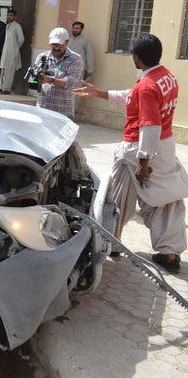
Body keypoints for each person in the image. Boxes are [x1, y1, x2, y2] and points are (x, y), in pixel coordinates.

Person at [73, 34, 187, 272]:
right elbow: (134, 96)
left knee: (119, 196)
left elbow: (149, 125)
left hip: (138, 147)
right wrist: (101, 93)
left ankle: (110, 242)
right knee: (167, 199)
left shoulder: (146, 86)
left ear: (137, 57)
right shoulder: (165, 77)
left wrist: (144, 162)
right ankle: (169, 252)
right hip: (165, 145)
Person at [32, 27, 83, 119]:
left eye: (59, 45)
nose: (55, 48)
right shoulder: (42, 57)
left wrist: (50, 80)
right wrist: (35, 79)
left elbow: (70, 82)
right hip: (43, 108)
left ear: (66, 42)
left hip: (63, 112)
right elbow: (34, 79)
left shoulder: (75, 59)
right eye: (53, 45)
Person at [0, 9, 25, 95]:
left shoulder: (17, 26)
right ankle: (1, 87)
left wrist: (15, 48)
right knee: (4, 69)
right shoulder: (7, 26)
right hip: (6, 51)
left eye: (11, 15)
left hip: (13, 52)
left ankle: (7, 89)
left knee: (10, 71)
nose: (9, 17)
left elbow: (21, 39)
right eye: (8, 15)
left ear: (14, 17)